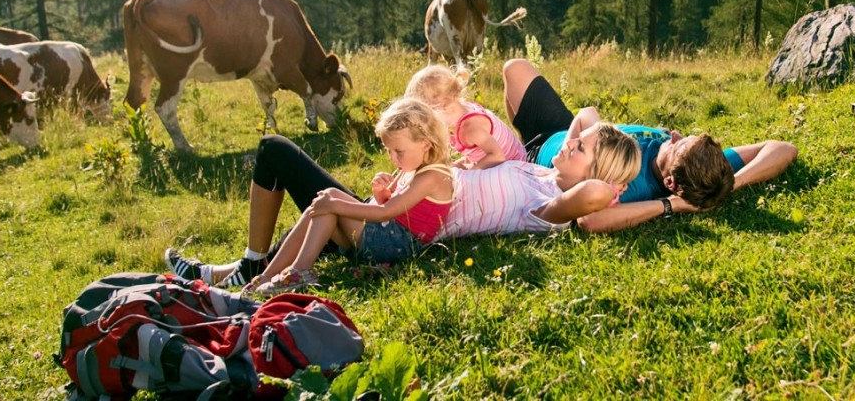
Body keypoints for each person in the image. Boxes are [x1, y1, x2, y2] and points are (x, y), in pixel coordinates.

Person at [165, 104, 642, 287]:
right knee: (319, 203)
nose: (570, 144)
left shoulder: (547, 208)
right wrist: (594, 139)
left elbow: (594, 194)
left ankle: (248, 268)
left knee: (277, 154)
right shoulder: (536, 172)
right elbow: (585, 112)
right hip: (403, 207)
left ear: (595, 175)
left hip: (403, 225)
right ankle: (240, 270)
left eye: (579, 150)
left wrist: (649, 196)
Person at [500, 58, 798, 233]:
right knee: (515, 68)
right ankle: (523, 133)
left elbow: (590, 220)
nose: (675, 135)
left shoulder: (633, 185)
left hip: (543, 157)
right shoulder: (704, 169)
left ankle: (519, 148)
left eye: (676, 145)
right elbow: (783, 148)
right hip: (567, 132)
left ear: (669, 181)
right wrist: (732, 184)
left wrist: (671, 205)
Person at [237, 97, 454, 295]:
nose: (392, 157)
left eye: (398, 151)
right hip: (388, 238)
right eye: (388, 150)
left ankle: (299, 270)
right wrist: (381, 195)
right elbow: (394, 208)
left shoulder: (433, 175)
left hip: (398, 246)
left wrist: (337, 205)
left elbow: (387, 213)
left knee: (331, 201)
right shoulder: (414, 166)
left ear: (426, 143)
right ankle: (267, 275)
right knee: (328, 198)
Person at [404, 64, 527, 169]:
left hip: (515, 168)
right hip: (505, 163)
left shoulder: (470, 129)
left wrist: (469, 173)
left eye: (425, 118)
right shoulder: (463, 109)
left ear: (441, 106)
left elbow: (498, 156)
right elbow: (478, 154)